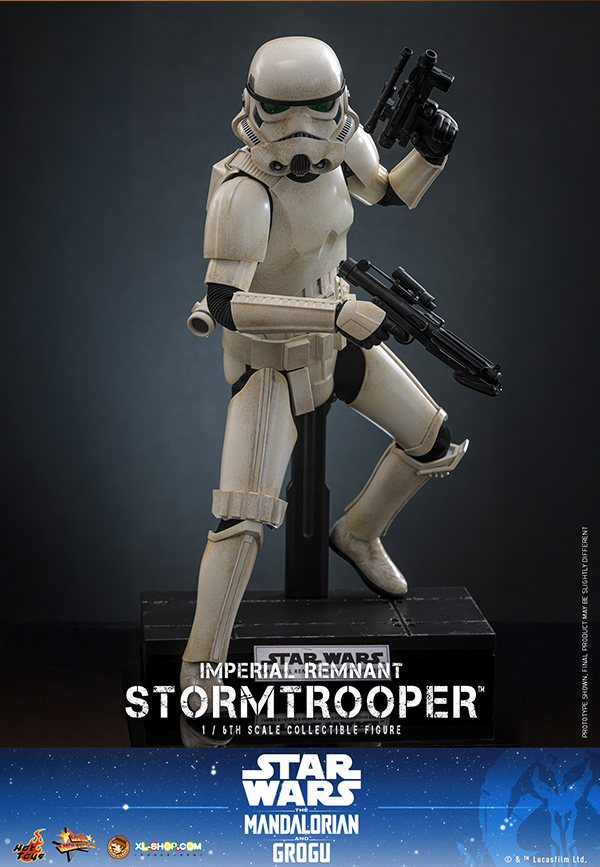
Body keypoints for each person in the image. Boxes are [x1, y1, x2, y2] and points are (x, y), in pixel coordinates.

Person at [181, 36, 467, 746]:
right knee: (242, 518)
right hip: (272, 362)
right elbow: (226, 304)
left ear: (338, 103)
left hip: (340, 341)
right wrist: (330, 316)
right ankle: (201, 666)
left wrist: (431, 154)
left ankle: (359, 533)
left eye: (317, 108)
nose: (302, 130)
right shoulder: (243, 190)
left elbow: (388, 191)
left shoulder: (346, 146)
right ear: (253, 107)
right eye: (283, 110)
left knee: (433, 440)